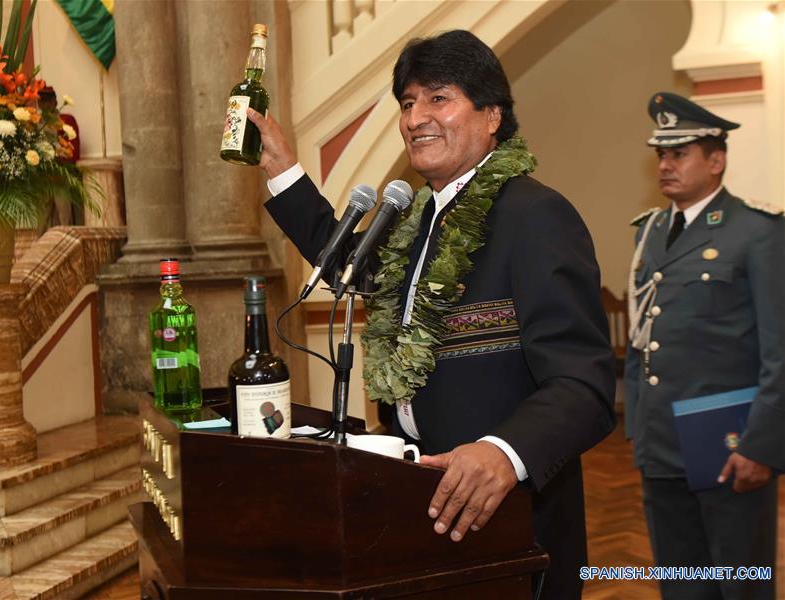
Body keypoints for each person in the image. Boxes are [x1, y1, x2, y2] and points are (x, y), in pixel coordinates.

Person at [248, 30, 616, 599]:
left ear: (492, 115)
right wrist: (281, 166)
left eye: (438, 98)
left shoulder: (536, 216)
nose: (416, 116)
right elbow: (349, 259)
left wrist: (504, 452)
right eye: (407, 102)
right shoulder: (416, 220)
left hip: (512, 523)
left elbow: (584, 383)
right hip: (419, 505)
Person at [625, 92, 783, 600]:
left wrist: (762, 445)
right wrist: (637, 425)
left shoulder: (757, 233)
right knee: (682, 583)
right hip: (662, 440)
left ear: (716, 161)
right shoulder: (650, 233)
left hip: (729, 442)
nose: (665, 165)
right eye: (661, 155)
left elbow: (779, 352)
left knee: (740, 583)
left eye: (679, 153)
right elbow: (641, 339)